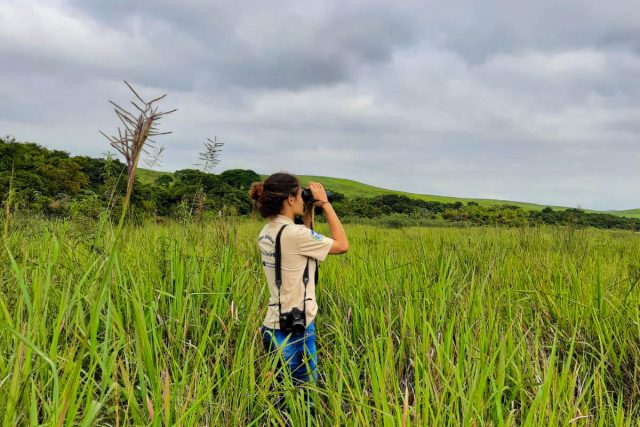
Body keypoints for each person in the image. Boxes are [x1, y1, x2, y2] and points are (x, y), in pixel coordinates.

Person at [249, 172, 349, 413]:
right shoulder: (295, 235)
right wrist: (324, 203)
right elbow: (342, 245)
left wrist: (309, 211)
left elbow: (304, 244)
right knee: (304, 402)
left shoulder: (267, 231)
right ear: (291, 198)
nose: (304, 197)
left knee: (282, 395)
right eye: (301, 193)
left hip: (273, 325)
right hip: (296, 328)